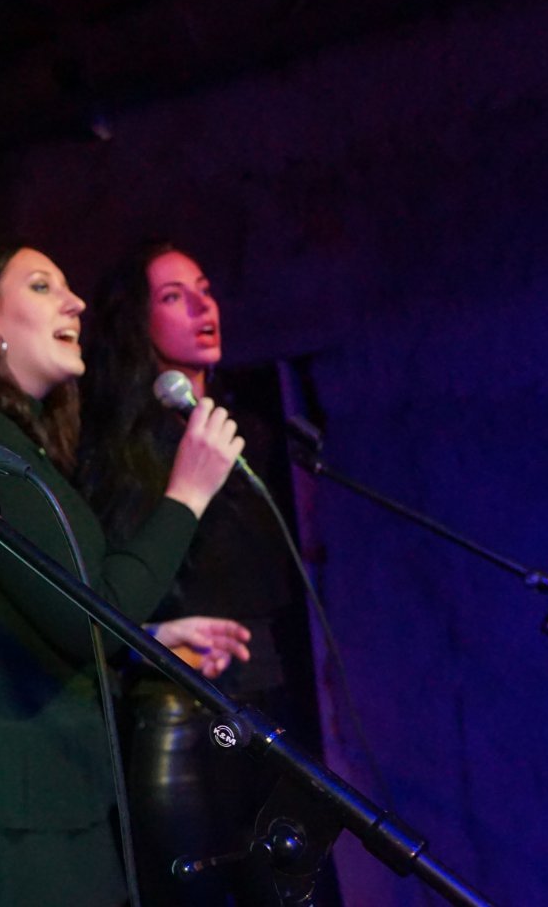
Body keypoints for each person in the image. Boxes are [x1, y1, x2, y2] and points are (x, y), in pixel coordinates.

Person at [0, 244, 247, 907]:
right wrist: (188, 494)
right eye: (41, 286)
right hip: (15, 819)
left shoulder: (12, 443)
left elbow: (45, 613)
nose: (75, 302)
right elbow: (91, 616)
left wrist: (149, 636)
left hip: (49, 797)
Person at [78, 241, 334, 905]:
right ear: (137, 322)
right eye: (173, 296)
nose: (201, 306)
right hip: (181, 716)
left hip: (269, 702)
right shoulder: (117, 446)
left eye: (205, 288)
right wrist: (154, 636)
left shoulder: (249, 432)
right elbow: (105, 591)